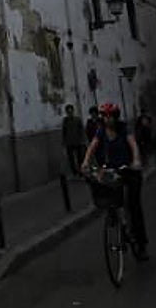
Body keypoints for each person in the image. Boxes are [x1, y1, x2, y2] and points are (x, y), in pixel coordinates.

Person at [81, 101, 148, 261]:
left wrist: (136, 161)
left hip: (129, 170)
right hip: (112, 171)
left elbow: (132, 144)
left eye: (110, 116)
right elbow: (93, 146)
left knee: (133, 205)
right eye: (104, 116)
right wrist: (85, 162)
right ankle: (116, 219)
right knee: (109, 197)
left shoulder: (124, 128)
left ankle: (141, 242)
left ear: (116, 117)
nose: (107, 119)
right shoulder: (101, 131)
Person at [61, 104, 86, 176]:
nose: (70, 113)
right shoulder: (65, 121)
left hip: (78, 141)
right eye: (68, 112)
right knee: (71, 158)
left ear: (73, 111)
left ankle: (81, 171)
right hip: (69, 142)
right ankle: (74, 171)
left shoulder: (77, 119)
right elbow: (64, 132)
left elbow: (81, 130)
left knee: (80, 158)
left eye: (71, 111)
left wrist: (83, 140)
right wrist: (64, 142)